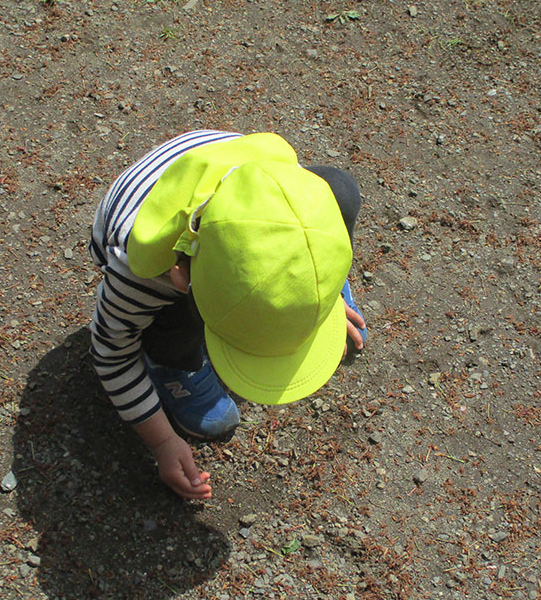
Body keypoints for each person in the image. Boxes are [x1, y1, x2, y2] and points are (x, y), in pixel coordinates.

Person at [88, 130, 366, 499]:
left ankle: (309, 279)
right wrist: (162, 442)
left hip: (222, 197)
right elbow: (111, 355)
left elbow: (290, 229)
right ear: (180, 275)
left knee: (340, 190)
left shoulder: (288, 192)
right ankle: (173, 365)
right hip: (159, 252)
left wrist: (318, 294)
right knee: (175, 322)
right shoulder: (139, 276)